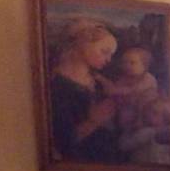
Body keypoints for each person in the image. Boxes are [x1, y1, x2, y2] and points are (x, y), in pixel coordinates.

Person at [46, 18, 121, 162]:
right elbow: (62, 141)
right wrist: (94, 121)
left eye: (111, 54)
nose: (109, 60)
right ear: (83, 44)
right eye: (104, 52)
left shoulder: (99, 81)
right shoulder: (57, 85)